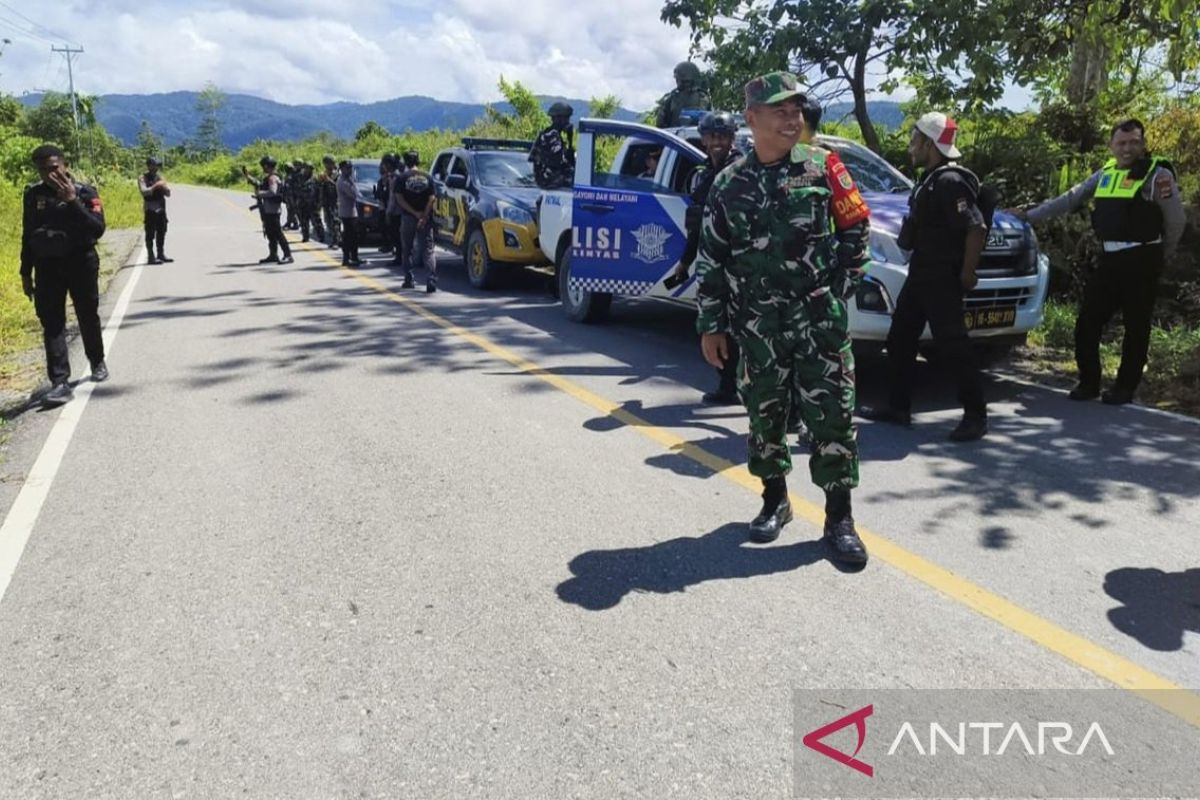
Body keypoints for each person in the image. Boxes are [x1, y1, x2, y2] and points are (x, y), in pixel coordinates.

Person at [694, 72, 872, 565]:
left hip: (818, 322)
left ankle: (840, 519)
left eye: (796, 109)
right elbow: (712, 257)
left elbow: (857, 228)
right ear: (752, 119)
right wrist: (712, 324)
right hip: (757, 326)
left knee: (834, 415)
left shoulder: (824, 167)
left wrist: (839, 289)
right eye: (780, 110)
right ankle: (775, 501)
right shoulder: (729, 183)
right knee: (764, 417)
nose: (792, 117)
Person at [1011, 118, 1185, 405]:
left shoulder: (1157, 175)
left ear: (1143, 144)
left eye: (1134, 142)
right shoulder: (1105, 173)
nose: (1128, 147)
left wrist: (1160, 254)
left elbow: (1176, 220)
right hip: (1110, 257)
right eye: (1122, 142)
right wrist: (1029, 215)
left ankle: (1124, 388)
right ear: (1112, 145)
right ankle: (1089, 382)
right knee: (1088, 321)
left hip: (1142, 258)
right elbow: (1069, 199)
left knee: (1136, 326)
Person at [858, 112, 989, 441]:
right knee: (901, 338)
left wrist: (968, 272)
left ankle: (975, 414)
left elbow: (976, 226)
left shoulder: (949, 181)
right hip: (921, 273)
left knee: (953, 344)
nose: (910, 146)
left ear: (930, 144)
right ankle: (898, 407)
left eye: (915, 140)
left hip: (942, 276)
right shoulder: (931, 178)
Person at [19, 144, 108, 406]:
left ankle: (97, 360)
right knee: (52, 322)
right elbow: (28, 235)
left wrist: (72, 201)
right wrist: (26, 272)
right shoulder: (33, 196)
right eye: (44, 169)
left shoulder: (84, 192)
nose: (50, 173)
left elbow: (98, 228)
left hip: (81, 263)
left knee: (87, 314)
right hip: (47, 267)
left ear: (65, 165)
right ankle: (60, 382)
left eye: (54, 167)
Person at [672, 111, 742, 405]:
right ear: (703, 139)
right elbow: (696, 225)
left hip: (739, 263)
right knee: (717, 325)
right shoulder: (702, 173)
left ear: (731, 138)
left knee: (743, 328)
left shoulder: (742, 171)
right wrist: (685, 261)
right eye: (712, 136)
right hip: (711, 261)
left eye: (722, 136)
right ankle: (728, 386)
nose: (717, 142)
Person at [395, 150, 438, 292]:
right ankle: (431, 279)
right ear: (418, 161)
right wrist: (424, 216)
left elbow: (399, 199)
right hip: (425, 219)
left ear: (406, 162)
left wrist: (414, 213)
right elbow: (432, 199)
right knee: (428, 250)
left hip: (408, 217)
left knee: (407, 249)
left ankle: (409, 279)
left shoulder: (401, 178)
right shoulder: (428, 177)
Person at [243, 155, 293, 264]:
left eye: (264, 166)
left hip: (273, 209)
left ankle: (288, 255)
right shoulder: (270, 177)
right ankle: (273, 254)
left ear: (267, 166)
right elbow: (261, 184)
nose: (263, 168)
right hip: (268, 208)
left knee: (278, 233)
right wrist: (248, 177)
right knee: (270, 233)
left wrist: (259, 194)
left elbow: (272, 192)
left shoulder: (272, 178)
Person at [530, 102, 575, 189]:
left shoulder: (554, 134)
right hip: (548, 180)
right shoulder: (550, 135)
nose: (568, 121)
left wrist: (570, 140)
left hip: (548, 180)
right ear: (558, 119)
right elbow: (557, 161)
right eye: (566, 118)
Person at [137, 156, 173, 264]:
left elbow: (168, 194)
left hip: (161, 207)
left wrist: (165, 188)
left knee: (162, 231)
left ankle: (161, 254)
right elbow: (144, 192)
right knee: (150, 233)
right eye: (154, 165)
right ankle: (151, 256)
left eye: (157, 166)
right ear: (149, 166)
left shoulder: (160, 177)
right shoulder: (142, 178)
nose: (156, 168)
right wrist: (156, 186)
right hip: (150, 208)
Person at [655, 61, 712, 128]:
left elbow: (660, 123)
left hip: (678, 136)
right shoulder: (703, 97)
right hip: (685, 136)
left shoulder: (672, 99)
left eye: (677, 79)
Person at [336, 159, 361, 266]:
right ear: (342, 169)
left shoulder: (348, 180)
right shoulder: (343, 182)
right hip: (347, 213)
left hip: (351, 211)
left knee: (353, 237)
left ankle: (354, 257)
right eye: (347, 168)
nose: (350, 170)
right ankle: (347, 258)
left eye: (350, 168)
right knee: (349, 237)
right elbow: (354, 194)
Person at [318, 155, 341, 250]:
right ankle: (333, 240)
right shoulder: (325, 173)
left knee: (335, 221)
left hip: (334, 201)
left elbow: (338, 187)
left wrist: (328, 180)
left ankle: (337, 241)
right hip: (326, 201)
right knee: (328, 221)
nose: (326, 166)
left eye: (328, 163)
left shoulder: (337, 175)